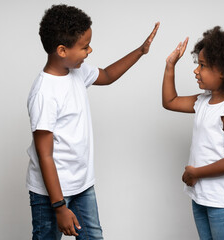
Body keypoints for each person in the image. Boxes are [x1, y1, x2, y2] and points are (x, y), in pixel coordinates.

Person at [26, 4, 159, 240]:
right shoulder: (45, 93)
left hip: (82, 185)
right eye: (84, 47)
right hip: (51, 195)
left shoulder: (76, 71)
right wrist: (59, 206)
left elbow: (107, 75)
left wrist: (140, 51)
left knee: (93, 236)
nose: (90, 50)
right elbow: (44, 154)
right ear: (62, 50)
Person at [162, 26, 224, 239]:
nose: (196, 70)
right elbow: (169, 101)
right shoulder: (203, 101)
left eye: (203, 65)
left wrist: (195, 173)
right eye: (198, 64)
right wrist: (170, 66)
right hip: (202, 196)